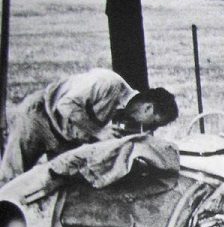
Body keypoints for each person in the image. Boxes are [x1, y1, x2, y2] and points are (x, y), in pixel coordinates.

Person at [0, 68, 178, 183]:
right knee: (13, 179)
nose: (150, 129)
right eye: (154, 124)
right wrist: (99, 131)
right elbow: (65, 105)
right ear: (148, 108)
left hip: (63, 136)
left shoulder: (124, 112)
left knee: (62, 180)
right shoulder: (107, 82)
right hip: (39, 117)